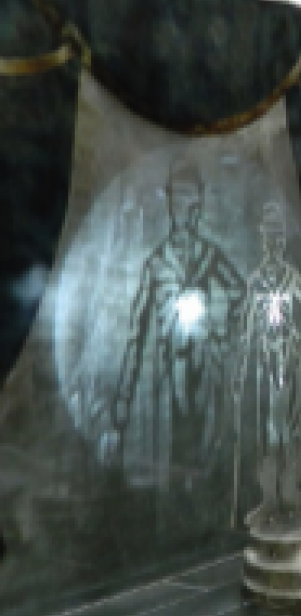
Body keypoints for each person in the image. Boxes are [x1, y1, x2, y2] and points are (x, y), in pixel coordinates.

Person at [103, 155, 246, 535]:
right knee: (173, 459)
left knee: (206, 455)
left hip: (205, 372)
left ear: (198, 204)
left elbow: (240, 292)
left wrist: (220, 329)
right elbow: (134, 336)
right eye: (176, 200)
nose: (183, 209)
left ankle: (209, 527)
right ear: (169, 204)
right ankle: (175, 532)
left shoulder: (210, 256)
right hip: (168, 379)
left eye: (189, 200)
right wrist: (120, 411)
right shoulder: (156, 264)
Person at [233, 201, 301, 528]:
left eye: (279, 234)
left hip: (290, 360)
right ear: (261, 237)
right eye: (270, 234)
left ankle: (289, 491)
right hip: (264, 364)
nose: (274, 240)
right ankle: (268, 498)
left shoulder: (293, 279)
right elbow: (244, 329)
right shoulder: (255, 283)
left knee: (291, 427)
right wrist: (240, 371)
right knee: (266, 431)